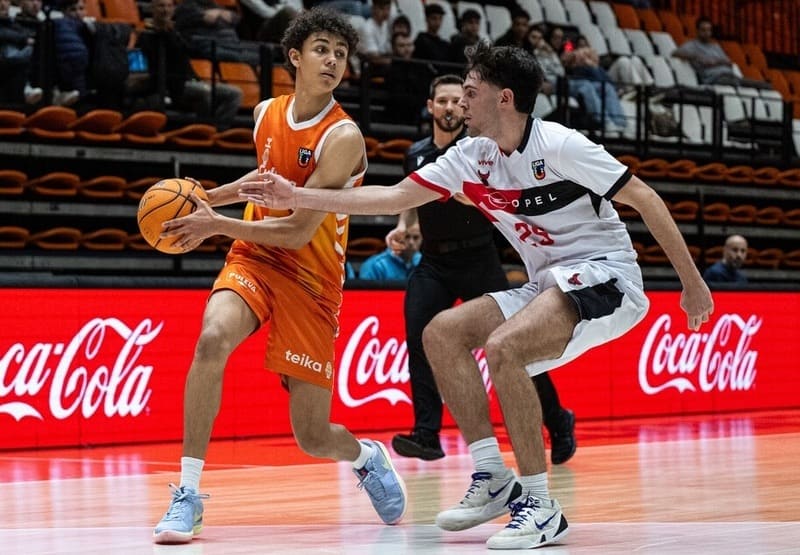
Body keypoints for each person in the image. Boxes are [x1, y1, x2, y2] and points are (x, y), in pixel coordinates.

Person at [241, 42, 714, 549]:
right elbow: (393, 198)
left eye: (470, 91)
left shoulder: (560, 145)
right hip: (546, 281)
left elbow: (646, 198)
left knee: (505, 347)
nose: (461, 102)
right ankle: (492, 476)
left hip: (606, 276)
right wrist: (297, 195)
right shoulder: (470, 156)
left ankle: (542, 506)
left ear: (503, 98)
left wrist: (692, 285)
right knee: (441, 334)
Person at [153, 7, 407, 544]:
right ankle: (188, 494)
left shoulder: (343, 137)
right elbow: (265, 177)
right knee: (211, 339)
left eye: (341, 54)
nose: (332, 61)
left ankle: (366, 457)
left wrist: (213, 224)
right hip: (255, 256)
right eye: (322, 49)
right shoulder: (266, 111)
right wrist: (204, 198)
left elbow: (296, 230)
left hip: (311, 280)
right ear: (295, 56)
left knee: (312, 437)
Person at [387, 74, 576, 464]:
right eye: (442, 101)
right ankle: (426, 434)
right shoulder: (416, 153)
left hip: (478, 259)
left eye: (456, 101)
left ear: (464, 106)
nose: (450, 107)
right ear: (430, 107)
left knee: (516, 343)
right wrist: (403, 226)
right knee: (420, 337)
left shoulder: (479, 150)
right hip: (434, 262)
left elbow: (505, 198)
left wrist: (475, 198)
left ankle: (557, 420)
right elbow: (413, 197)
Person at [136, 0, 243, 128]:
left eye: (169, 6)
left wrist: (172, 32)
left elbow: (190, 49)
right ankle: (204, 128)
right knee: (204, 92)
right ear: (152, 9)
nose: (165, 10)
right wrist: (165, 31)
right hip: (173, 85)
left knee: (234, 93)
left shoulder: (177, 31)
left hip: (191, 80)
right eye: (161, 6)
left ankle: (219, 129)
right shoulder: (147, 35)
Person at [672, 17, 770, 89]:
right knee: (741, 85)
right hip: (714, 79)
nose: (707, 33)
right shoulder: (692, 45)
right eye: (703, 30)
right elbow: (675, 53)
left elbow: (728, 62)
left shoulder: (715, 46)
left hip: (729, 75)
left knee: (765, 86)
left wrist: (716, 62)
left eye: (709, 30)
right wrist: (698, 57)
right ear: (697, 31)